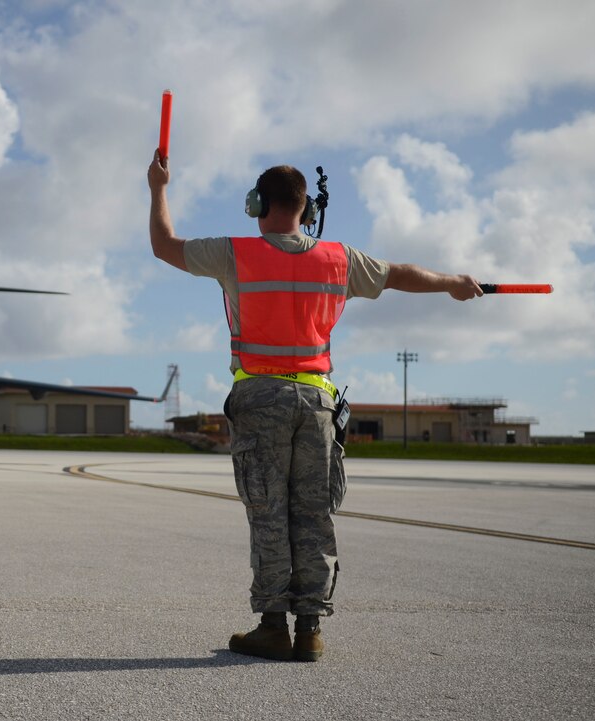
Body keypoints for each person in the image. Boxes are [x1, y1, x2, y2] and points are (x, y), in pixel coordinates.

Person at [147, 150, 482, 662]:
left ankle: (272, 626)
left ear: (258, 204)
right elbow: (401, 274)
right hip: (318, 401)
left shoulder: (235, 253)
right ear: (305, 209)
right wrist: (453, 283)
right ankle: (310, 630)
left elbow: (164, 246)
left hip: (260, 397)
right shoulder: (339, 258)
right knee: (314, 513)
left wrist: (158, 188)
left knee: (268, 511)